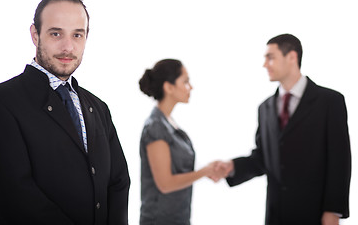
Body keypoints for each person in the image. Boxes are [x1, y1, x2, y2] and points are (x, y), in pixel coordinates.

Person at [0, 0, 130, 225]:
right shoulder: (4, 101)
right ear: (35, 35)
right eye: (56, 33)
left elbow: (118, 182)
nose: (68, 47)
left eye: (77, 35)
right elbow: (16, 194)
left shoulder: (99, 108)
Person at [218, 34, 351, 225]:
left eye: (270, 57)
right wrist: (232, 167)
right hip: (276, 214)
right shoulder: (265, 108)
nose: (265, 64)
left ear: (292, 57)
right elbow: (263, 159)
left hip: (314, 214)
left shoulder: (330, 101)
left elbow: (340, 160)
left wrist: (333, 211)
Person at [139, 59, 226, 225]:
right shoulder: (156, 127)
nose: (190, 87)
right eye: (185, 81)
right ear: (169, 87)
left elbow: (179, 169)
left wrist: (208, 169)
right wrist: (204, 172)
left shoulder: (168, 123)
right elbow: (165, 183)